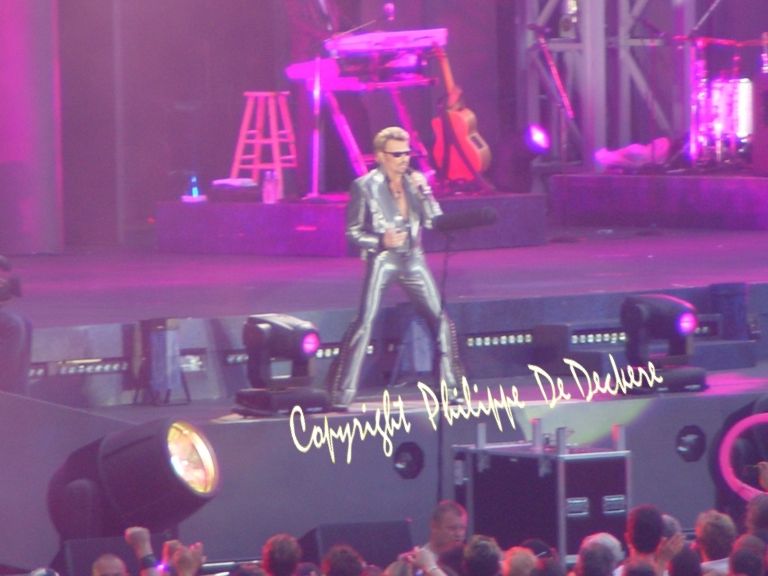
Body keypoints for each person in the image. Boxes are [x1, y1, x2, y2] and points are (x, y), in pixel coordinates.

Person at [326, 126, 464, 407]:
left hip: (413, 258)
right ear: (380, 156)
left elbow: (433, 221)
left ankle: (450, 390)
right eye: (397, 154)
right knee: (365, 322)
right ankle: (341, 393)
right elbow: (352, 232)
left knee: (440, 320)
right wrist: (380, 240)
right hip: (383, 259)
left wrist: (425, 192)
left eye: (407, 153)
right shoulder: (364, 186)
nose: (404, 159)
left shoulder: (414, 183)